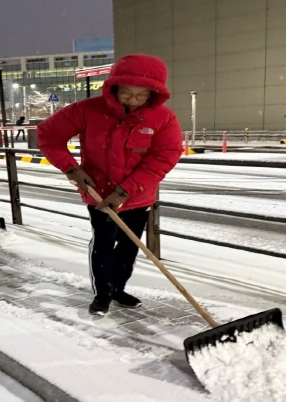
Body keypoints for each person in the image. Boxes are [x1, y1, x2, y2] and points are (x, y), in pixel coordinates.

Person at [37, 54, 183, 315]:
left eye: (142, 95)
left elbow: (164, 156)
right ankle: (103, 293)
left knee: (129, 247)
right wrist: (71, 168)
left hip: (138, 197)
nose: (133, 101)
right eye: (127, 93)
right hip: (100, 196)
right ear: (114, 87)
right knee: (104, 245)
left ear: (154, 94)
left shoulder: (163, 118)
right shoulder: (87, 110)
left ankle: (118, 289)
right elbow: (48, 134)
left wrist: (126, 190)